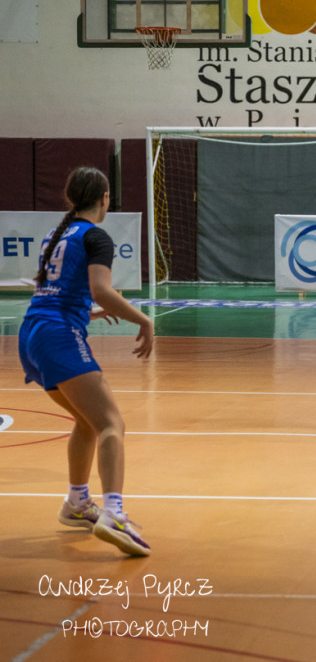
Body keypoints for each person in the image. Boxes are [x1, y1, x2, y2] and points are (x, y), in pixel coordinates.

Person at [18, 167, 154, 556]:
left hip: (31, 334)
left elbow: (56, 291)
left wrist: (86, 312)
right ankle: (114, 514)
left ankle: (77, 503)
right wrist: (142, 318)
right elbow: (101, 288)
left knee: (87, 420)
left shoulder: (57, 233)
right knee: (112, 423)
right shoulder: (97, 235)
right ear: (105, 197)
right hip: (57, 335)